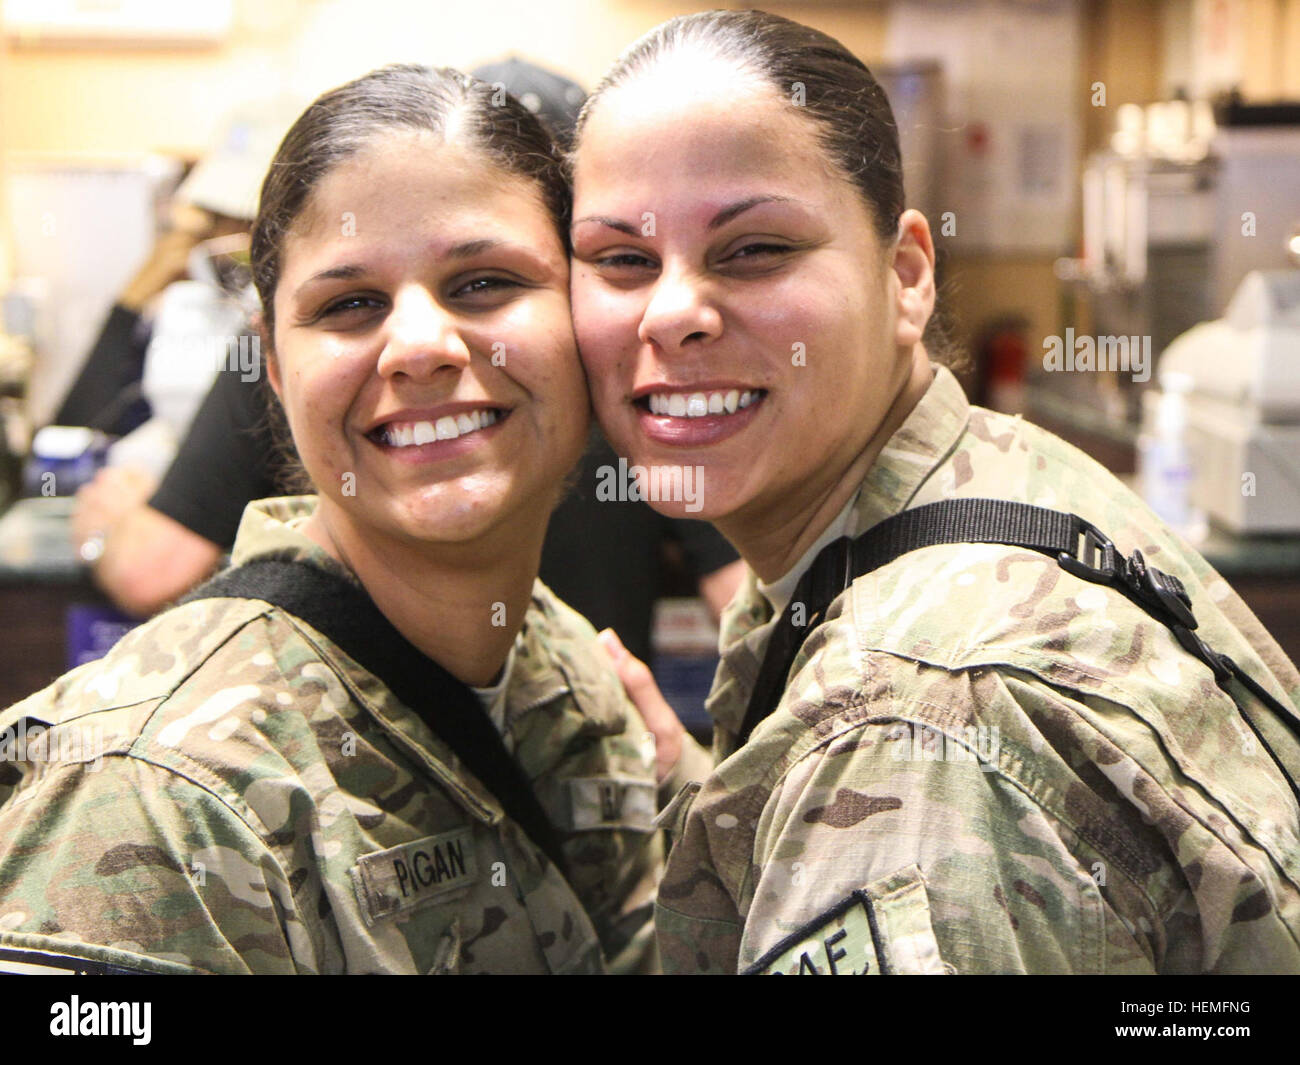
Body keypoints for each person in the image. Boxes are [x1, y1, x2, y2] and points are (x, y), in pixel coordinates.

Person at [568, 10, 1300, 974]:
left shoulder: (915, 727)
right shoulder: (983, 472)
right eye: (621, 259)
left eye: (753, 250)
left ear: (907, 275)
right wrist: (708, 800)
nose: (671, 313)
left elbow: (929, 795)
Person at [0, 64, 680, 975]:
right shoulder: (155, 794)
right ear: (277, 377)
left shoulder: (579, 692)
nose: (422, 346)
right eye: (348, 304)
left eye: (482, 281)